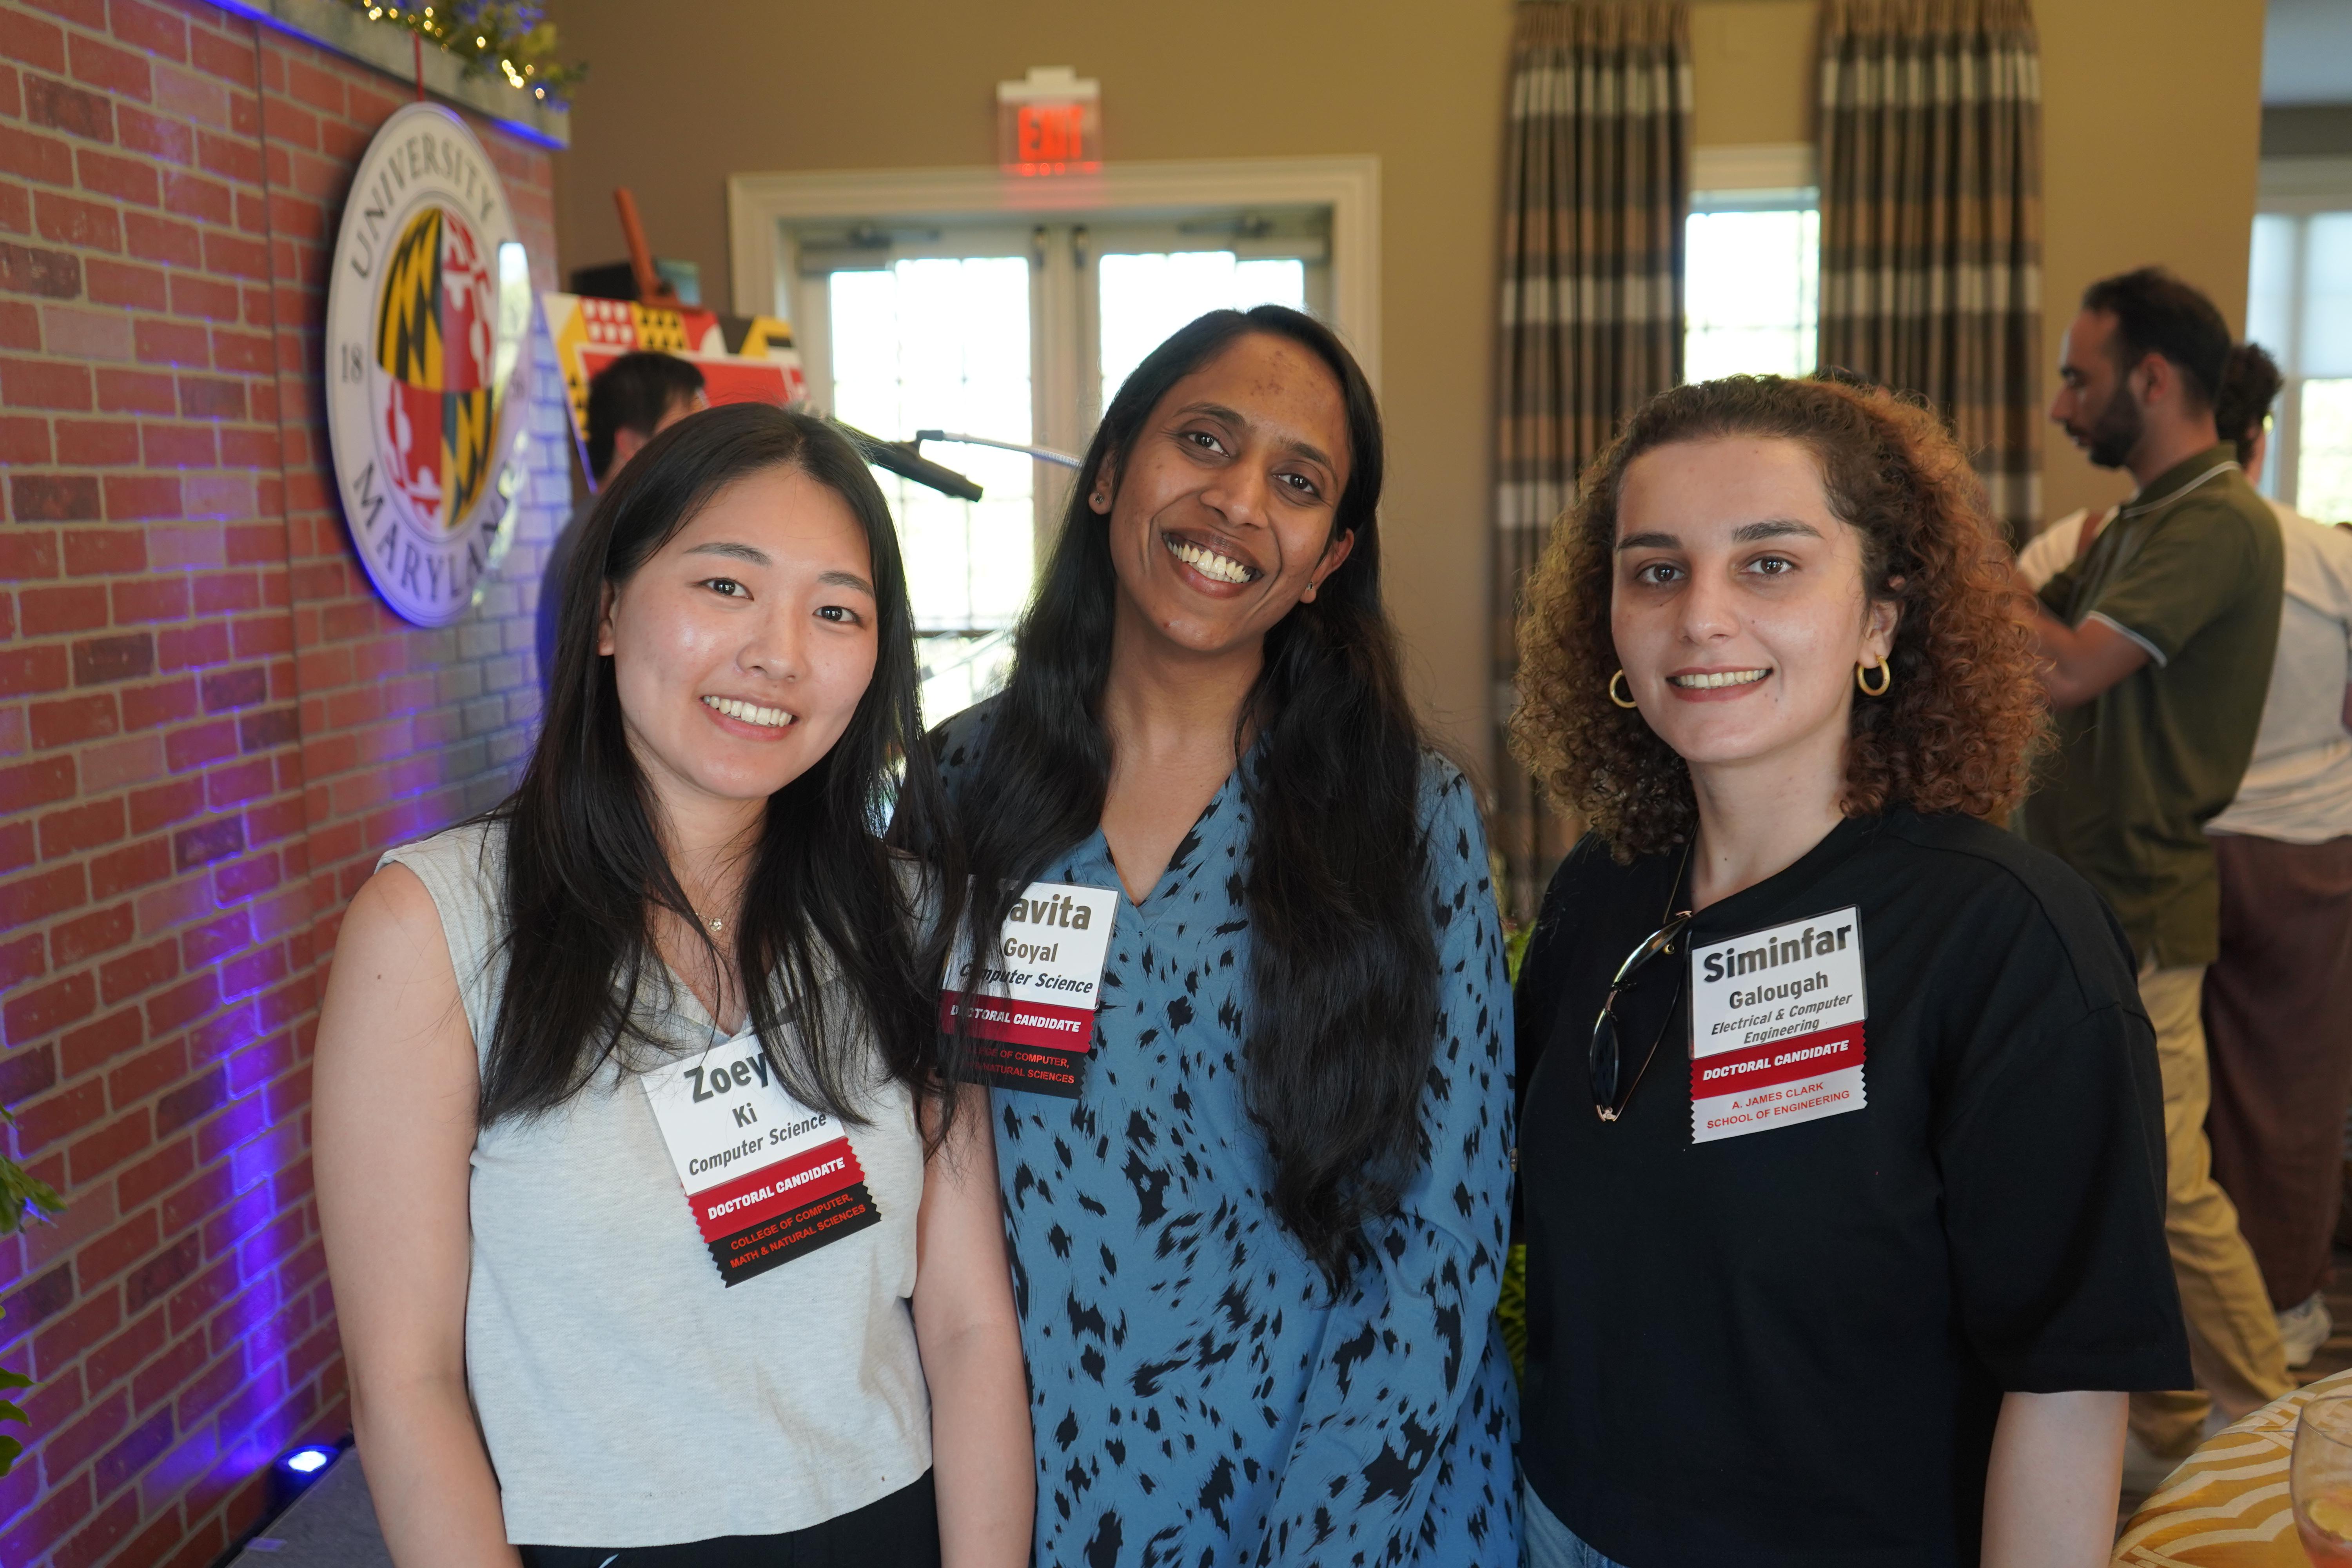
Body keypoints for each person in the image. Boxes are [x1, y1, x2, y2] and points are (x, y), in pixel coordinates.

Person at [315, 404, 1033, 1567]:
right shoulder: (437, 923)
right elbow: (407, 1383)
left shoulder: (912, 920)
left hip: (889, 1526)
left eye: (836, 610)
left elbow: (965, 1325)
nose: (779, 654)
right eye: (724, 586)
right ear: (607, 610)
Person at [1510, 374, 2189, 1567]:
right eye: (1656, 570)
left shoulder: (2005, 940)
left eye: (1768, 564)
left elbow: (2068, 1382)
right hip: (1550, 1528)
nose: (1701, 617)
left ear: (1880, 618)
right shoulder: (1598, 892)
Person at [930, 306, 1518, 1565]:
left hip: (1354, 1502)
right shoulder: (958, 790)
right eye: (1203, 440)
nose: (1239, 501)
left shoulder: (1406, 818)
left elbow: (1442, 1231)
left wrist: (1321, 1543)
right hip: (1036, 1495)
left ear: (1328, 557)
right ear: (1108, 473)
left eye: (1298, 483)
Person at [2020, 267, 2290, 1465]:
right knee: (2122, 1179)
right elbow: (2023, 630)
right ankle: (2175, 1415)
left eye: (2079, 380)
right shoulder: (2139, 516)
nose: (2061, 406)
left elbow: (2067, 667)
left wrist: (1951, 545)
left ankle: (2282, 1435)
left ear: (2155, 378)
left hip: (2144, 896)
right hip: (2091, 892)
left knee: (2170, 1185)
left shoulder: (2215, 519)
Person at [2199, 341, 2352, 1367]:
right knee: (2293, 1098)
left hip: (2173, 848)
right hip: (2308, 851)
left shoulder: (2098, 542)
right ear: (2258, 439)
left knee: (2169, 1108)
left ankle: (2193, 1325)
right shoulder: (2329, 557)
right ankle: (2285, 1311)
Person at [538, 349, 709, 695]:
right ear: (631, 444)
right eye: (687, 431)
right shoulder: (611, 537)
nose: (705, 448)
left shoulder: (610, 524)